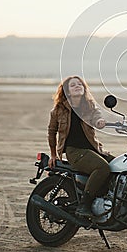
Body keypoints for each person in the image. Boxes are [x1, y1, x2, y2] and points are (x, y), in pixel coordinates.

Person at [47, 75, 114, 217]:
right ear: (67, 91)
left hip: (93, 149)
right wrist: (53, 154)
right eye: (73, 85)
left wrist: (100, 121)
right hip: (74, 151)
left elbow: (97, 116)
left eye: (80, 84)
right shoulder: (58, 110)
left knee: (119, 165)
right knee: (102, 168)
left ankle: (108, 199)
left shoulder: (89, 106)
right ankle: (84, 204)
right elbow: (51, 132)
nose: (77, 86)